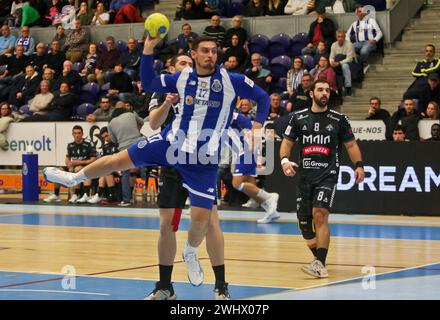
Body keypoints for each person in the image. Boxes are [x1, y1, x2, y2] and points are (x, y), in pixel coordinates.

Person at [43, 35, 270, 297]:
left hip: (202, 161)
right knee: (119, 159)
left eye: (214, 51)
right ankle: (73, 178)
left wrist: (256, 126)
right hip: (169, 145)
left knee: (201, 223)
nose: (210, 55)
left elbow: (262, 97)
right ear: (193, 54)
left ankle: (191, 251)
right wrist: (148, 49)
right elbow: (149, 84)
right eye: (205, 51)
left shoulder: (231, 81)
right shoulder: (181, 81)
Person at [145, 53, 230, 300]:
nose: (188, 67)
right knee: (166, 226)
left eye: (190, 64)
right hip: (172, 163)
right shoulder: (162, 90)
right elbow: (153, 123)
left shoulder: (204, 88)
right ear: (172, 69)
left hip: (199, 163)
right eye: (182, 63)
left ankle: (221, 286)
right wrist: (168, 103)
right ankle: (164, 287)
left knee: (212, 223)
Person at [280, 79, 365, 278]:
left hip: (327, 175)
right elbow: (286, 143)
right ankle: (318, 258)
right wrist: (284, 161)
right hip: (304, 177)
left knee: (320, 214)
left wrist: (359, 166)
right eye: (320, 90)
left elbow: (351, 145)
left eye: (327, 90)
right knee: (304, 225)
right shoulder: (298, 118)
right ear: (312, 94)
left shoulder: (339, 119)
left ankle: (320, 263)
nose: (324, 93)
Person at [230, 112, 280, 223]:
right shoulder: (216, 119)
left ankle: (269, 197)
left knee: (236, 183)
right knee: (251, 188)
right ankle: (271, 211)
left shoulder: (232, 115)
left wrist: (253, 145)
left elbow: (253, 127)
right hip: (243, 152)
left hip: (246, 151)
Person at [66, 125, 98, 203]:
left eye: (79, 133)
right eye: (75, 133)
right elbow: (67, 158)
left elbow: (93, 159)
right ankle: (57, 194)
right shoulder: (70, 145)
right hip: (76, 167)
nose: (77, 135)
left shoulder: (89, 143)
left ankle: (77, 194)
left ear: (82, 134)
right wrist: (68, 163)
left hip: (88, 166)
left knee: (77, 169)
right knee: (59, 170)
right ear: (72, 134)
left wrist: (79, 162)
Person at [87, 126, 119, 204]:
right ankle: (103, 194)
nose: (106, 139)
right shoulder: (105, 147)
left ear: (111, 133)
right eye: (104, 138)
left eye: (107, 136)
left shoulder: (119, 143)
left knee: (106, 171)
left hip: (120, 168)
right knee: (104, 171)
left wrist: (116, 174)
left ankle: (100, 194)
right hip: (111, 170)